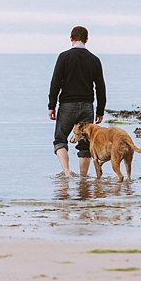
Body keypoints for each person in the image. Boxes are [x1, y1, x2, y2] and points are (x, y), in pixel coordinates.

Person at [48, 25, 106, 180]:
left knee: (60, 139)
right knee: (85, 144)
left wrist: (51, 106)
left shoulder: (63, 57)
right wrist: (100, 110)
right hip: (87, 106)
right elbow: (100, 87)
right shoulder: (94, 60)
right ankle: (83, 178)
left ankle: (67, 174)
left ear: (71, 38)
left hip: (67, 105)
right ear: (87, 39)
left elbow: (55, 83)